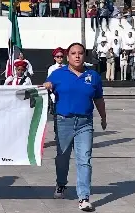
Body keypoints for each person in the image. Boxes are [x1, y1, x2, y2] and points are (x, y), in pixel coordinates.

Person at [43, 43, 107, 211]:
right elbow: (45, 88)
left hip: (85, 123)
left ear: (84, 56)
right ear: (67, 57)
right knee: (62, 158)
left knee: (84, 159)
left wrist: (103, 117)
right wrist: (47, 86)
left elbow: (98, 99)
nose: (77, 56)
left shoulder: (92, 75)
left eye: (80, 53)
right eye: (73, 53)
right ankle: (61, 184)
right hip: (64, 122)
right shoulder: (58, 74)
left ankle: (84, 197)